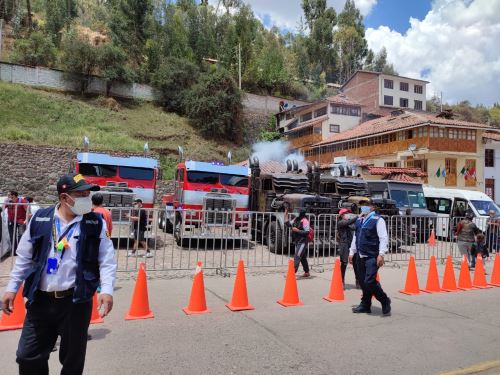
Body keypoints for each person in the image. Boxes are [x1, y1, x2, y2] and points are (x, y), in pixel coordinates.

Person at [1, 173, 117, 375]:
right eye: (81, 194)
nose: (86, 199)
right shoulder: (41, 218)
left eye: (88, 194)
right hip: (41, 301)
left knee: (72, 360)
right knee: (27, 355)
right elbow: (24, 256)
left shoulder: (95, 223)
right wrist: (12, 287)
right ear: (64, 198)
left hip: (75, 302)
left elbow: (106, 260)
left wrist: (107, 290)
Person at [349, 201, 391, 315]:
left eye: (366, 205)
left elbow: (383, 238)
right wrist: (351, 252)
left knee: (369, 281)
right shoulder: (359, 220)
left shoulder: (378, 220)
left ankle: (384, 300)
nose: (363, 207)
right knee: (363, 282)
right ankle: (365, 305)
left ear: (372, 208)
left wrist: (381, 254)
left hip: (372, 255)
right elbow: (355, 237)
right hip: (360, 255)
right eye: (362, 205)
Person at [284, 207, 310, 277]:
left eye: (298, 211)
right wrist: (286, 213)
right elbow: (288, 224)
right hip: (297, 241)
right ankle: (307, 272)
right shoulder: (296, 219)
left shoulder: (305, 221)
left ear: (301, 213)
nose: (296, 213)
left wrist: (297, 231)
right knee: (302, 257)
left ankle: (291, 274)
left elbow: (307, 232)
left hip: (302, 242)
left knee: (297, 256)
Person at [337, 208, 359, 286]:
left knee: (356, 263)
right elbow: (349, 222)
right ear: (342, 215)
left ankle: (358, 281)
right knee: (344, 263)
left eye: (347, 213)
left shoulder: (348, 222)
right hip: (344, 245)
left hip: (351, 244)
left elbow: (354, 227)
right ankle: (341, 281)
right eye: (345, 213)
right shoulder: (340, 222)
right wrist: (358, 217)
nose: (347, 214)